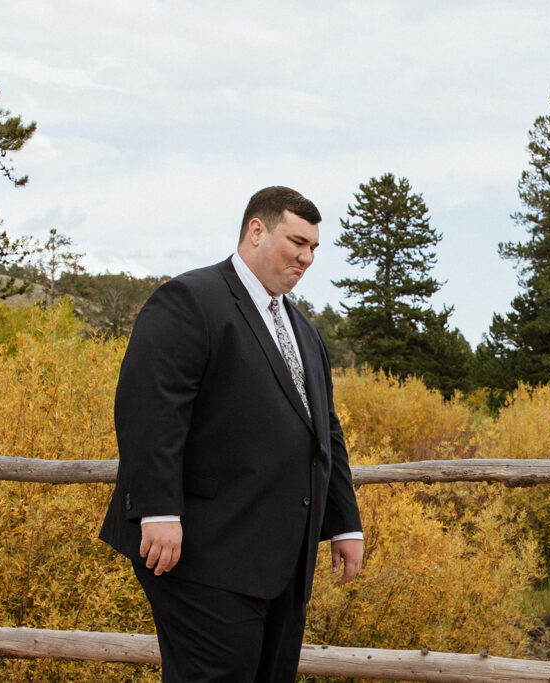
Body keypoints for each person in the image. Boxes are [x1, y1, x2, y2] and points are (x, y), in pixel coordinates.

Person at [99, 186, 364, 682]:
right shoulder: (190, 300)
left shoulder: (304, 330)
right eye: (297, 242)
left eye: (314, 248)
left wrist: (344, 523)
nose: (307, 257)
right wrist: (158, 510)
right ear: (256, 231)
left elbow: (324, 431)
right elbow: (152, 409)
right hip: (202, 551)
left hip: (282, 562)